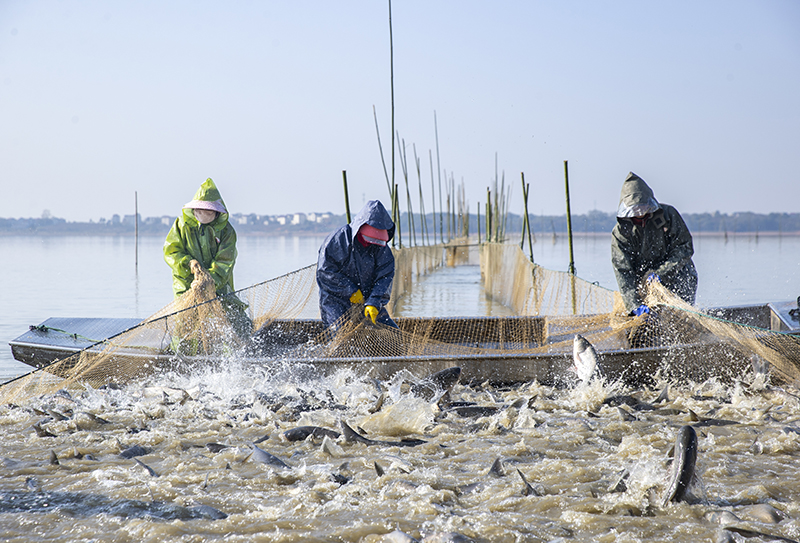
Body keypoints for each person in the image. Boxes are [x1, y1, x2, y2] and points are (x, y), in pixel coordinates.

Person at [163, 178, 251, 338]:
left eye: (208, 211)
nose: (203, 214)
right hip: (186, 283)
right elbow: (171, 251)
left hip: (219, 284)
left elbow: (226, 261)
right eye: (199, 210)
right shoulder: (182, 225)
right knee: (186, 323)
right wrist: (189, 263)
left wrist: (209, 281)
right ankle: (184, 358)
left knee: (233, 317)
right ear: (193, 209)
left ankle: (239, 350)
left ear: (217, 213)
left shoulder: (226, 231)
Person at [611, 172, 698, 316]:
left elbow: (685, 247)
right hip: (643, 281)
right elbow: (623, 271)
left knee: (679, 317)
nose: (639, 211)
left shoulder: (668, 215)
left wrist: (661, 273)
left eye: (642, 205)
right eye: (634, 207)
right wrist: (634, 305)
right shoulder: (620, 233)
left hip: (676, 273)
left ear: (650, 202)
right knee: (647, 321)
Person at [316, 200, 398, 329]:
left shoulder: (383, 251)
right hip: (335, 299)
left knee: (393, 334)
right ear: (360, 230)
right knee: (339, 335)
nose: (373, 243)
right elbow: (325, 272)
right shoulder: (338, 240)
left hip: (368, 300)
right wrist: (350, 290)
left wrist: (374, 301)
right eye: (370, 238)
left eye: (377, 240)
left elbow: (385, 277)